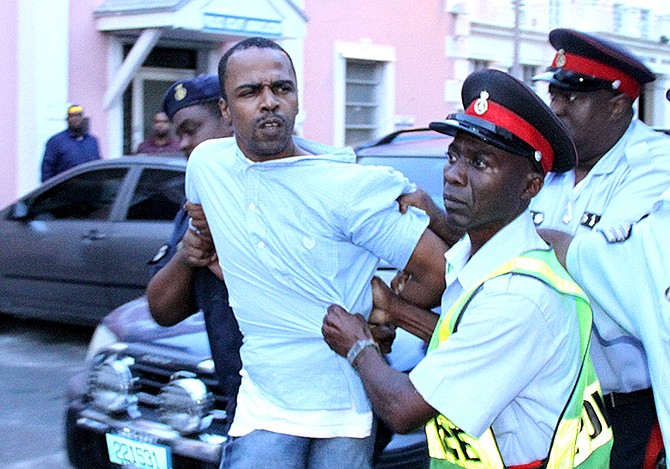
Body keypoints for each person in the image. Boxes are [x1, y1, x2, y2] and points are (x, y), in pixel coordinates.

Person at [322, 69, 613, 468]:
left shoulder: (518, 296)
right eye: (454, 155)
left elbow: (404, 410)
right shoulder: (485, 261)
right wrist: (395, 310)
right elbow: (465, 343)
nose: (453, 173)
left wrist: (357, 345)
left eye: (479, 162)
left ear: (530, 186)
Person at [184, 37, 450, 469]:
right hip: (263, 405)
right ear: (225, 110)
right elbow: (217, 236)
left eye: (282, 88)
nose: (269, 102)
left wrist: (386, 309)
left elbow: (436, 271)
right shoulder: (206, 166)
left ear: (296, 98)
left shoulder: (347, 187)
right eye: (250, 92)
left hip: (343, 410)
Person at [531, 28, 670, 468]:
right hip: (551, 401)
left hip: (626, 408)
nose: (556, 109)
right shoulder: (550, 165)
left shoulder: (654, 166)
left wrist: (515, 243)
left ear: (617, 105)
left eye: (572, 98)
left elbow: (598, 270)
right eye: (554, 94)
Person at [146, 75, 243, 420]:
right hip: (243, 402)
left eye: (192, 129)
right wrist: (187, 257)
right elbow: (162, 311)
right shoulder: (194, 208)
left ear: (227, 117)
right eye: (179, 134)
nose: (184, 144)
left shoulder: (288, 189)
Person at [41, 104, 101, 181]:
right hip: (65, 190)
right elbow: (47, 170)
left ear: (83, 118)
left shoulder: (92, 141)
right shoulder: (56, 141)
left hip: (90, 190)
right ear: (67, 119)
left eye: (78, 115)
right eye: (72, 116)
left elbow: (97, 167)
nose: (75, 118)